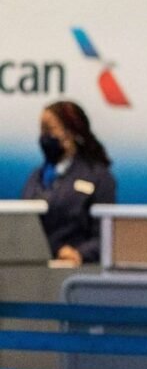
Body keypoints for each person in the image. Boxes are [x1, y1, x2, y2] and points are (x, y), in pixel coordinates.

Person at [21, 100, 115, 266]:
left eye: (49, 130)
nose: (44, 137)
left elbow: (106, 236)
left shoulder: (97, 177)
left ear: (70, 132)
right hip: (35, 269)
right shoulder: (36, 177)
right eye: (41, 131)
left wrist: (80, 253)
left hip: (76, 272)